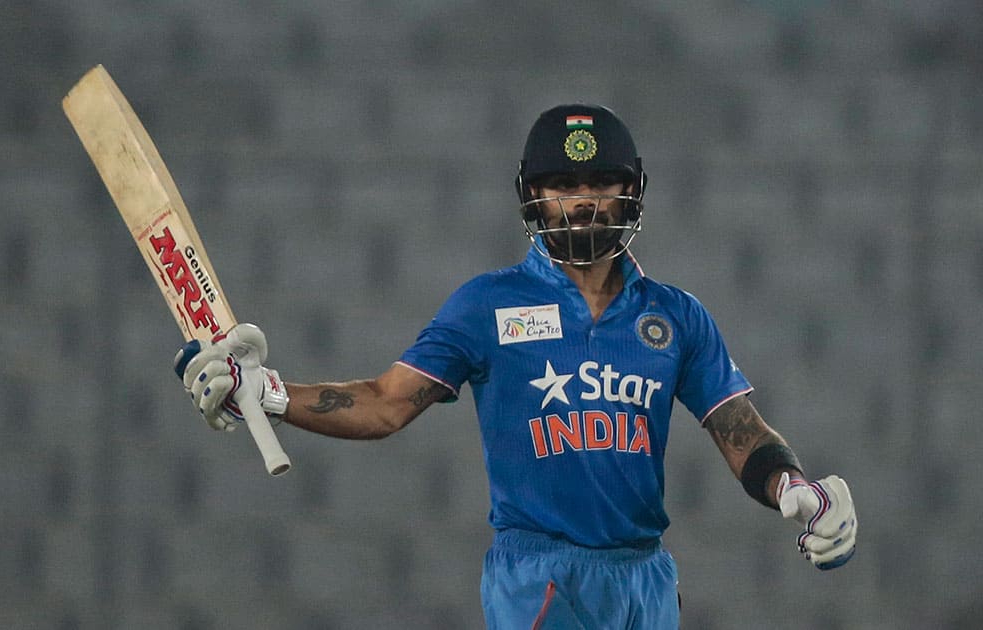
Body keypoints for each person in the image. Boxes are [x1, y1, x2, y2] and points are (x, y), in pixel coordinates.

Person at [174, 104, 857, 629]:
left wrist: (795, 487)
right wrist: (266, 392)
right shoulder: (487, 306)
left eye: (602, 182)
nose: (584, 200)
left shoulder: (675, 317)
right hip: (539, 575)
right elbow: (385, 403)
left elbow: (741, 431)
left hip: (645, 578)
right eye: (563, 184)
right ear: (534, 196)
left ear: (633, 193)